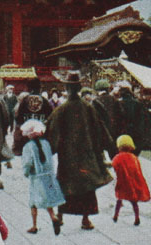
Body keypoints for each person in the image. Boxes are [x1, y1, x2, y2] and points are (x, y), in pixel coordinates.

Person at [46, 71, 113, 231]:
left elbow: (52, 133)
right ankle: (85, 219)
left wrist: (48, 150)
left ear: (67, 88)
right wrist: (107, 149)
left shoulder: (61, 110)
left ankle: (60, 215)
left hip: (68, 157)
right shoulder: (88, 108)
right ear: (79, 88)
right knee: (86, 188)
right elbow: (100, 130)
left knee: (66, 184)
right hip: (86, 155)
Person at [20, 119, 65, 235]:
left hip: (36, 177)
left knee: (33, 202)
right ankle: (53, 217)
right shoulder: (46, 143)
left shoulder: (28, 147)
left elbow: (27, 163)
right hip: (48, 175)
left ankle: (34, 225)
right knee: (47, 200)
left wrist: (26, 172)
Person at [117, 82, 151, 169]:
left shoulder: (148, 103)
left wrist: (149, 114)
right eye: (149, 95)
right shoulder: (138, 102)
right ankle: (132, 165)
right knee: (138, 148)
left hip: (148, 127)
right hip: (141, 128)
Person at [111, 135, 150, 226]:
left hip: (122, 183)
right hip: (131, 185)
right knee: (134, 203)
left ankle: (116, 215)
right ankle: (137, 217)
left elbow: (114, 166)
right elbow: (138, 172)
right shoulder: (134, 158)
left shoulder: (118, 157)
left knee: (119, 200)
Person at [13, 77, 53, 156]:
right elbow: (50, 119)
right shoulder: (45, 101)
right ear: (39, 88)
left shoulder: (24, 101)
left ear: (28, 88)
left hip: (26, 139)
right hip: (41, 137)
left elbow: (18, 119)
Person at [92, 79, 122, 159]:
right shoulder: (114, 100)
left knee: (99, 156)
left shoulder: (95, 101)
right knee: (114, 155)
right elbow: (120, 115)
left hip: (101, 132)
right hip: (114, 132)